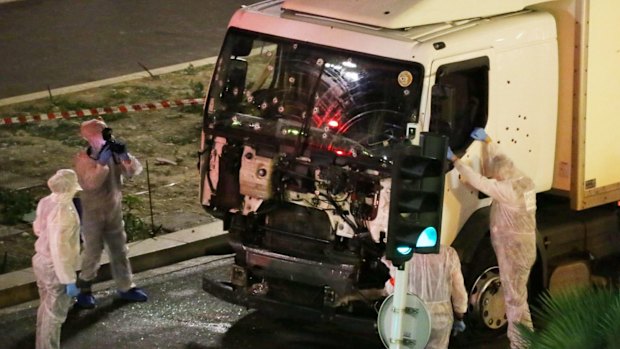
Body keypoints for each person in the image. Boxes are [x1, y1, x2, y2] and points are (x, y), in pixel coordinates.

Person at [447, 127, 537, 349]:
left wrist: (456, 161)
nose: (494, 177)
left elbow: (481, 183)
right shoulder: (523, 180)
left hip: (514, 251)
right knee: (517, 297)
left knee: (515, 300)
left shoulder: (508, 189)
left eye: (496, 175)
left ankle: (522, 344)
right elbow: (501, 160)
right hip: (522, 249)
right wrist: (488, 142)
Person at [73, 118, 148, 308]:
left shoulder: (113, 155)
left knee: (119, 250)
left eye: (105, 132)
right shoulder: (83, 159)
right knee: (92, 251)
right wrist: (100, 164)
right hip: (92, 212)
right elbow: (91, 183)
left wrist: (125, 157)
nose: (104, 137)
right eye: (99, 134)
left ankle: (126, 286)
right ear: (88, 138)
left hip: (113, 210)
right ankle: (84, 289)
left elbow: (133, 171)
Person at [32, 169, 82, 349]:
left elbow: (37, 228)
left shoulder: (46, 201)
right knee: (55, 315)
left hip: (40, 260)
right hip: (55, 267)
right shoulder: (64, 213)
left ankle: (41, 344)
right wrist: (68, 279)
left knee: (45, 308)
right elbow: (60, 250)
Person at [384, 245, 468, 349]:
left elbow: (394, 289)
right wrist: (460, 315)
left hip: (411, 317)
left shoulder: (402, 253)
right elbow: (459, 291)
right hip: (440, 320)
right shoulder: (449, 254)